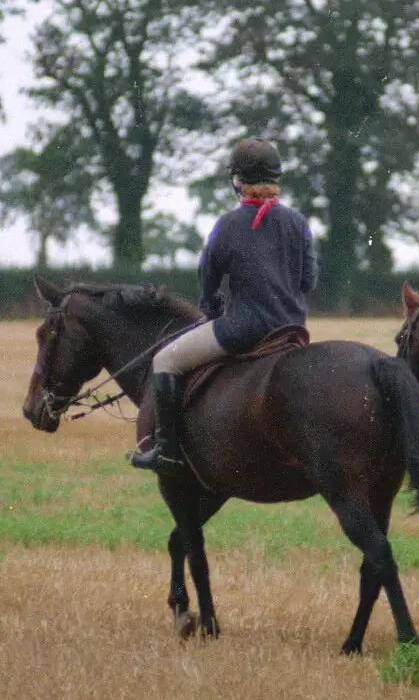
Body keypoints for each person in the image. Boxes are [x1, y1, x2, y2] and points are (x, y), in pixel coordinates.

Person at [129, 138, 318, 472]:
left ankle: (168, 451)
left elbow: (209, 281)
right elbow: (308, 282)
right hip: (292, 330)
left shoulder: (227, 225)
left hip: (243, 330)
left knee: (166, 360)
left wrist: (211, 306)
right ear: (275, 179)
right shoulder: (298, 223)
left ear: (238, 180)